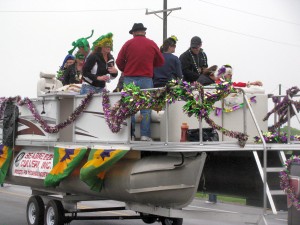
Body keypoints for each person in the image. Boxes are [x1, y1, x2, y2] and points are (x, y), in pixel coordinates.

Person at [116, 23, 164, 141]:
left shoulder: (128, 44)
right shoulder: (151, 44)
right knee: (146, 108)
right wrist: (149, 66)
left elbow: (119, 61)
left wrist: (126, 69)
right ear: (144, 32)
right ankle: (145, 135)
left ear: (133, 33)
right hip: (146, 79)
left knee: (129, 108)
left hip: (129, 79)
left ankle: (130, 135)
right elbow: (160, 61)